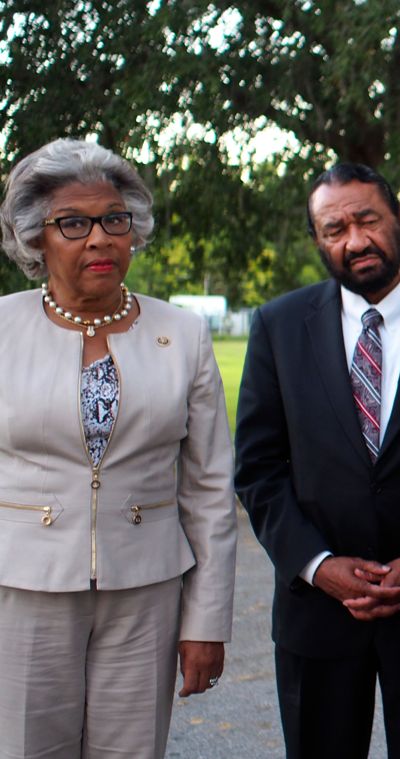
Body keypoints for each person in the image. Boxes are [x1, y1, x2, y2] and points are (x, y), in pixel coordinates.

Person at [0, 138, 237, 757]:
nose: (99, 238)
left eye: (113, 219)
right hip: (22, 591)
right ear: (35, 238)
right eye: (72, 223)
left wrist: (206, 621)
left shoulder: (181, 333)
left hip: (147, 592)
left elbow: (210, 489)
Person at [234, 163, 400, 758]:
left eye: (367, 219)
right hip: (317, 615)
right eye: (333, 228)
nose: (355, 240)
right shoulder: (278, 325)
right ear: (319, 240)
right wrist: (318, 565)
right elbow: (258, 467)